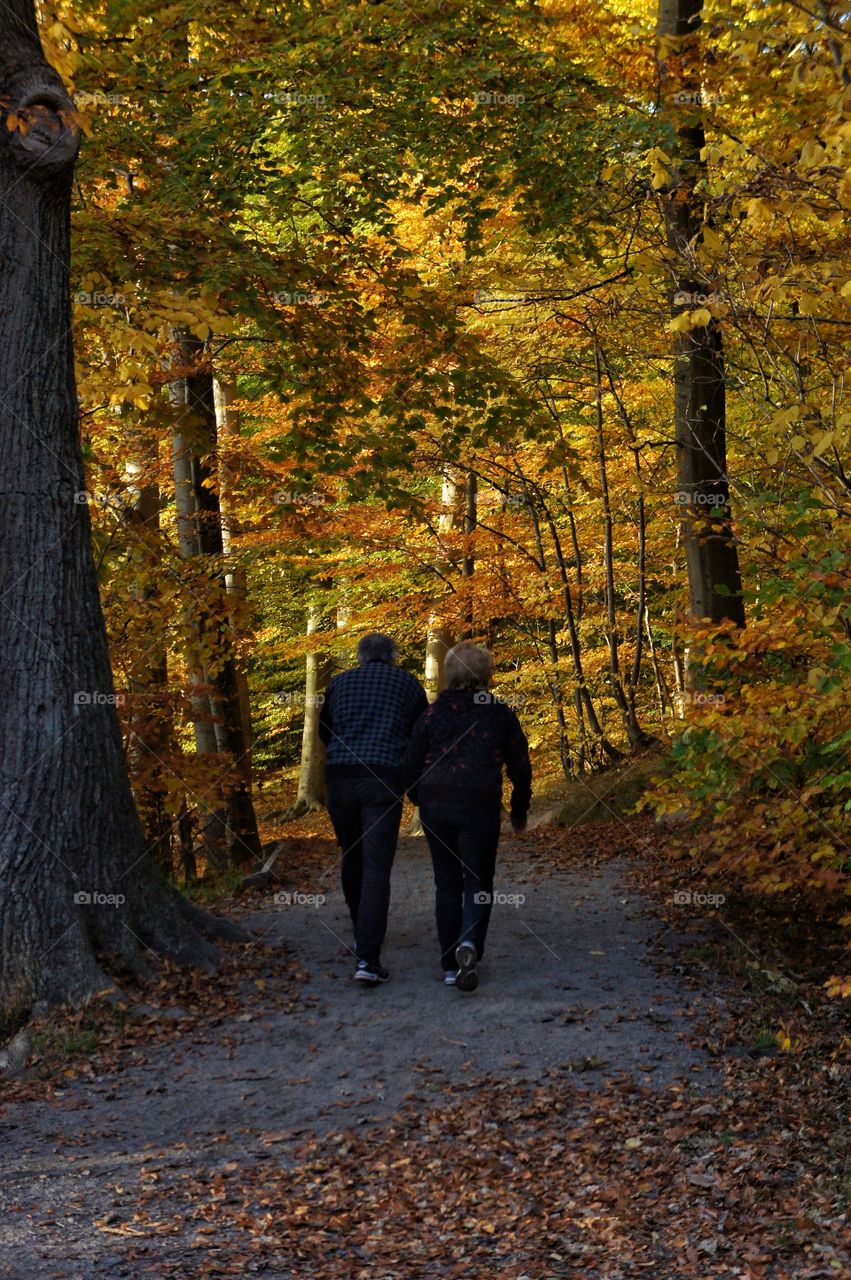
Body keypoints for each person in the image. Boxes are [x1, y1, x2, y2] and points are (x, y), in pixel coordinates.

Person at [402, 641, 532, 992]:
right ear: (487, 674)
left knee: (446, 883)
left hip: (436, 805)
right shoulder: (498, 713)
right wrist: (519, 812)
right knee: (478, 881)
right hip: (479, 804)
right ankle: (469, 943)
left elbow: (410, 764)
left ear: (450, 673)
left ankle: (448, 965)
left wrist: (420, 798)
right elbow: (521, 766)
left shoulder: (431, 714)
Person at [319, 633, 428, 985]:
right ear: (393, 656)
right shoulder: (408, 684)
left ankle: (359, 933)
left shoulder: (339, 683)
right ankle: (368, 957)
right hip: (382, 779)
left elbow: (324, 730)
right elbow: (421, 734)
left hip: (340, 778)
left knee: (352, 856)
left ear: (361, 656)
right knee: (377, 866)